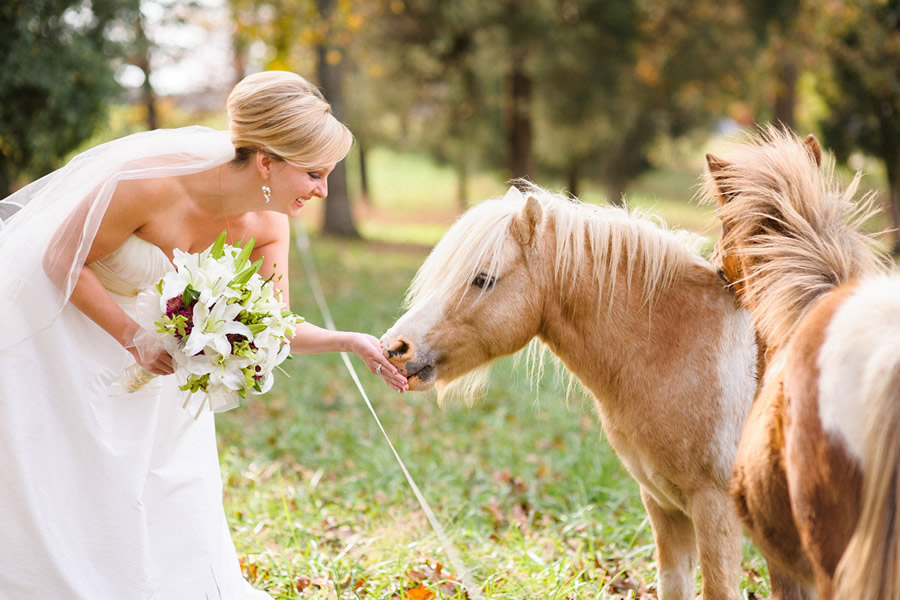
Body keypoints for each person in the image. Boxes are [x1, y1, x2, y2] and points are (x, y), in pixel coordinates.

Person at [0, 70, 408, 599]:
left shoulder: (269, 224)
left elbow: (274, 324)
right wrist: (133, 337)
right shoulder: (148, 183)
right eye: (313, 174)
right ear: (266, 162)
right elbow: (61, 260)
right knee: (69, 478)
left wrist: (348, 341)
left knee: (166, 485)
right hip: (66, 333)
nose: (323, 190)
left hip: (159, 362)